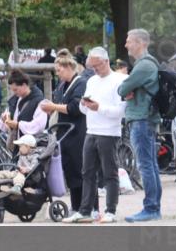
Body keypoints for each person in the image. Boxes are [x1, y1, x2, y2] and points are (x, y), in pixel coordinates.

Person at [63, 47, 127, 224]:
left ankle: (110, 211)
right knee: (87, 172)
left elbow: (121, 111)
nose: (95, 69)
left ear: (106, 61)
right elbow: (83, 109)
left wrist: (99, 107)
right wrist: (85, 105)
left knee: (109, 173)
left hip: (109, 131)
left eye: (97, 65)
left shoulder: (120, 80)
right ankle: (86, 211)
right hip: (91, 130)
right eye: (92, 66)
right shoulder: (91, 80)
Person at [119, 29, 163, 222]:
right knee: (150, 165)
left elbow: (122, 88)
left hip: (141, 119)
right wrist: (129, 89)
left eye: (129, 41)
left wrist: (128, 89)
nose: (126, 45)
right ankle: (154, 208)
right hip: (146, 119)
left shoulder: (144, 66)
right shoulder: (148, 64)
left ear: (140, 43)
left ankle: (151, 208)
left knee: (145, 165)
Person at [40, 54, 87, 211]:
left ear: (68, 68)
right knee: (70, 172)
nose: (57, 73)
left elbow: (75, 108)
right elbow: (60, 105)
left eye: (59, 70)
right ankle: (75, 207)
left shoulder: (80, 83)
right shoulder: (61, 86)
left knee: (79, 171)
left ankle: (87, 207)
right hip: (64, 134)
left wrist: (53, 106)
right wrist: (52, 108)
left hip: (77, 133)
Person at [0, 70, 47, 154]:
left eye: (16, 89)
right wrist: (4, 119)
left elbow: (39, 126)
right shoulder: (15, 99)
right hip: (18, 147)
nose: (14, 92)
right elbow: (5, 123)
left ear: (24, 85)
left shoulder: (39, 101)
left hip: (33, 149)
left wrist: (18, 125)